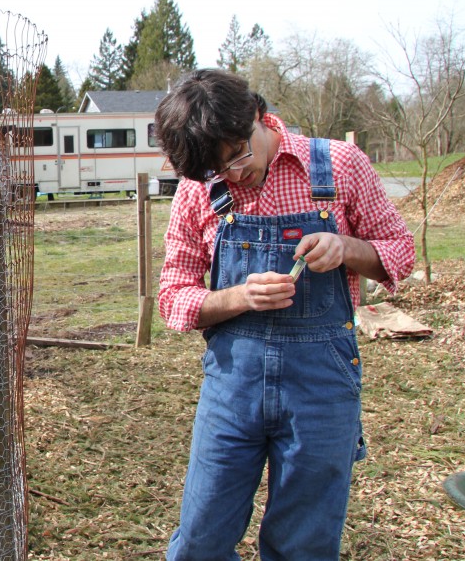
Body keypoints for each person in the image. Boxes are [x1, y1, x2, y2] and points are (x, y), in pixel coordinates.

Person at [154, 69, 414, 560]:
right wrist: (238, 297)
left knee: (303, 545)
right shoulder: (197, 192)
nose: (232, 174)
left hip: (321, 386)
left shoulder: (340, 165)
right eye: (217, 170)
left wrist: (346, 247)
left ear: (256, 113)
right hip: (233, 388)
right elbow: (172, 296)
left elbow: (399, 251)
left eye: (237, 156)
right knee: (200, 542)